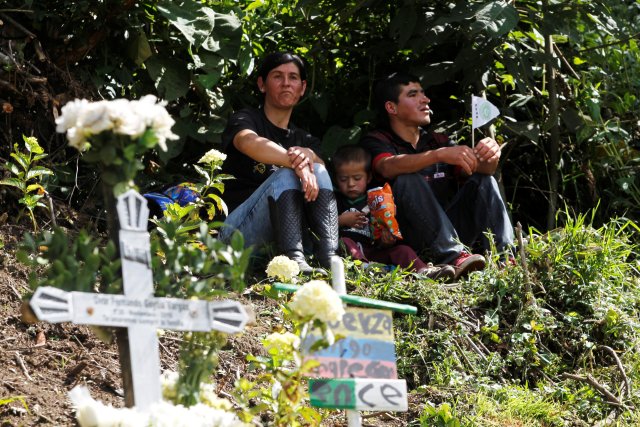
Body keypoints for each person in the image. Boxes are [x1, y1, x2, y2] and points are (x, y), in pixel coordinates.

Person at [360, 72, 514, 279]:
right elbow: (387, 167)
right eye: (413, 95)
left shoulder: (438, 140)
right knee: (407, 178)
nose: (425, 100)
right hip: (409, 241)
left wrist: (490, 154)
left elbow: (480, 172)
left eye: (423, 94)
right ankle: (454, 256)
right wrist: (438, 155)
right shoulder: (376, 140)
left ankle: (506, 259)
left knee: (484, 181)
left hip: (450, 230)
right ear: (391, 108)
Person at [218, 52, 338, 274]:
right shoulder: (246, 119)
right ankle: (293, 262)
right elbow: (247, 142)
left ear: (302, 88)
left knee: (317, 167)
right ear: (262, 84)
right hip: (234, 239)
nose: (286, 83)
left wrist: (308, 155)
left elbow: (321, 170)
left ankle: (328, 256)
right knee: (285, 174)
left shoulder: (304, 139)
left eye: (293, 77)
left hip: (275, 242)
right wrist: (297, 163)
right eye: (277, 76)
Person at [333, 145, 455, 280]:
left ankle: (423, 271)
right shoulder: (335, 200)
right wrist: (341, 220)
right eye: (343, 179)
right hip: (354, 255)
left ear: (368, 178)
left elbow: (380, 238)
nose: (350, 184)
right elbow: (322, 227)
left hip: (375, 252)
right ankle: (366, 269)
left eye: (357, 178)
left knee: (403, 250)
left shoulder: (377, 198)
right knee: (344, 242)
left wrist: (386, 241)